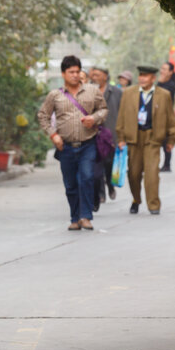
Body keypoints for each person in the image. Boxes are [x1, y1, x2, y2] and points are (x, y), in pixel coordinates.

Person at [37, 56, 107, 231]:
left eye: (77, 71)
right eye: (71, 72)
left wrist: (94, 118)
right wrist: (53, 135)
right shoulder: (55, 95)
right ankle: (75, 218)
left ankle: (86, 216)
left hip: (88, 144)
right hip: (66, 146)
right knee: (70, 184)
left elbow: (103, 109)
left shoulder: (92, 91)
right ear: (63, 74)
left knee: (87, 178)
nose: (75, 75)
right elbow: (43, 116)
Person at [115, 65, 175, 215]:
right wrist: (121, 138)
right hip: (134, 137)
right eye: (140, 75)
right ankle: (136, 199)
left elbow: (170, 118)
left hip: (153, 138)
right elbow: (121, 116)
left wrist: (171, 139)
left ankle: (154, 205)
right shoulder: (128, 93)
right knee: (134, 174)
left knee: (152, 173)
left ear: (153, 78)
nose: (142, 78)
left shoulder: (164, 94)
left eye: (146, 76)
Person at [89, 67, 122, 207]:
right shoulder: (87, 91)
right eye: (92, 75)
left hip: (111, 136)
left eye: (97, 75)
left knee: (109, 164)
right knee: (97, 168)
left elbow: (122, 113)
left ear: (105, 76)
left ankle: (110, 184)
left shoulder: (117, 92)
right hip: (94, 135)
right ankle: (100, 194)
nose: (94, 77)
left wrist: (121, 136)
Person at [156, 62, 175, 172]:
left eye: (165, 69)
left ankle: (167, 164)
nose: (162, 71)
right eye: (162, 68)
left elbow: (160, 95)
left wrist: (159, 82)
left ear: (170, 72)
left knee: (166, 141)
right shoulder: (161, 83)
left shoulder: (171, 85)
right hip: (157, 115)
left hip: (165, 116)